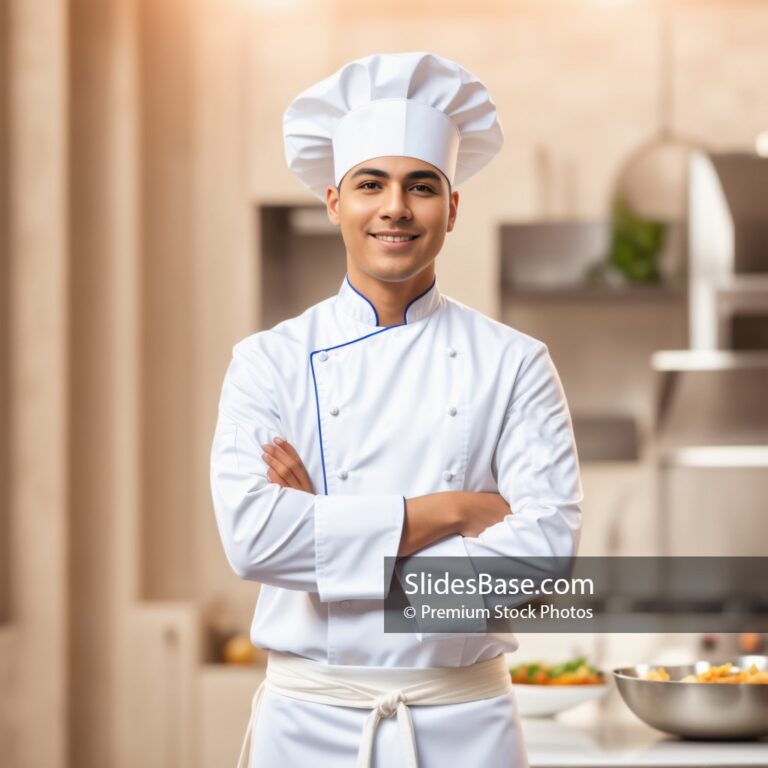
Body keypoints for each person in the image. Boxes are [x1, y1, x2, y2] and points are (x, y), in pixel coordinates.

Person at [210, 51, 582, 768]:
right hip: (310, 722)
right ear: (333, 201)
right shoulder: (268, 361)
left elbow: (546, 556)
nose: (395, 208)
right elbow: (253, 541)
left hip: (462, 720)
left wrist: (328, 540)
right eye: (370, 184)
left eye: (421, 186)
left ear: (452, 207)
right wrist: (454, 511)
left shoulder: (516, 361)